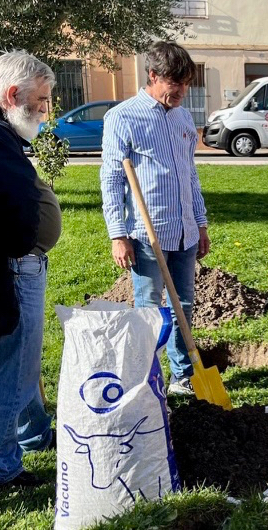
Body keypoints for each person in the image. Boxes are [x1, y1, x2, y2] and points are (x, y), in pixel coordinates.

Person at [101, 41, 209, 396]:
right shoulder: (122, 117)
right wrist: (118, 233)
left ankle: (182, 376)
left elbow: (190, 174)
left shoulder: (182, 116)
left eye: (186, 83)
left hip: (185, 233)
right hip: (148, 235)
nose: (180, 91)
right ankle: (149, 378)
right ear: (153, 75)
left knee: (185, 306)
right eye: (174, 83)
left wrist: (201, 223)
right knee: (150, 309)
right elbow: (112, 178)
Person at [0, 50, 58, 487]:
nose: (44, 111)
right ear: (12, 94)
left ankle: (32, 432)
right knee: (14, 365)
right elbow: (14, 221)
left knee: (19, 359)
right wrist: (27, 241)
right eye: (40, 101)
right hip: (10, 267)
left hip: (8, 266)